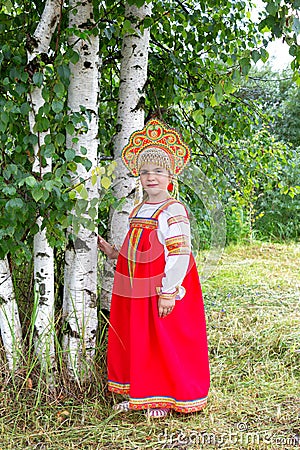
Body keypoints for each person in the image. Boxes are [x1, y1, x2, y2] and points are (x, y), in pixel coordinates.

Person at [98, 118, 210, 418]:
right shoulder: (139, 207)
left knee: (163, 339)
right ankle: (140, 393)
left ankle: (163, 397)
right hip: (136, 287)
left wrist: (168, 292)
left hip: (161, 286)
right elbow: (139, 247)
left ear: (170, 174)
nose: (151, 177)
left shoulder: (173, 209)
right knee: (139, 338)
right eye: (145, 171)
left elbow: (179, 253)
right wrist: (113, 253)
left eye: (158, 172)